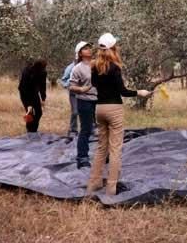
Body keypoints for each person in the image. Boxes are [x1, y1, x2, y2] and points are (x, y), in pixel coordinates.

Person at [86, 33, 152, 196]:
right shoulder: (115, 68)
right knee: (115, 149)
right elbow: (122, 91)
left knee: (101, 148)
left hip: (99, 109)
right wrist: (140, 92)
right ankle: (111, 188)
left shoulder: (94, 67)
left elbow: (94, 84)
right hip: (114, 109)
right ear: (113, 48)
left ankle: (93, 184)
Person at [68, 41, 98, 168]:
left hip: (99, 100)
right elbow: (71, 86)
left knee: (102, 129)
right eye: (85, 49)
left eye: (89, 48)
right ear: (80, 53)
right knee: (86, 129)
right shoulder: (77, 68)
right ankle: (82, 157)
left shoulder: (97, 64)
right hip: (84, 101)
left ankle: (104, 155)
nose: (89, 50)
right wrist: (81, 90)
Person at [18, 58, 47, 138]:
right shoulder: (27, 71)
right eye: (42, 68)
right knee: (29, 113)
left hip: (34, 92)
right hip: (24, 93)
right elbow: (23, 88)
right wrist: (28, 104)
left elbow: (42, 86)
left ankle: (34, 130)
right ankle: (29, 130)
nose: (43, 69)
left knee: (39, 113)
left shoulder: (43, 73)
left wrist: (43, 98)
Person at [60, 53, 78, 137]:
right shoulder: (70, 67)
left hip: (86, 93)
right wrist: (70, 84)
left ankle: (91, 130)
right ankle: (73, 130)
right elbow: (63, 81)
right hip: (74, 94)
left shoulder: (87, 66)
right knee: (75, 112)